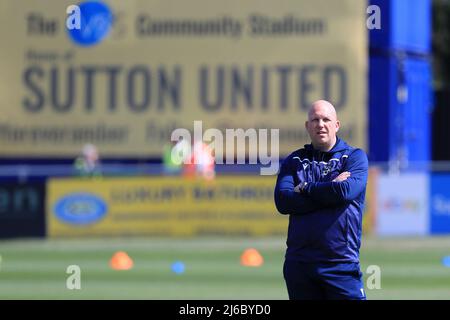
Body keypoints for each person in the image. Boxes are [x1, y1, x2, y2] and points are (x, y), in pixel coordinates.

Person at [274, 100, 369, 300]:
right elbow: (283, 202)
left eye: (326, 119)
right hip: (300, 264)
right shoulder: (294, 161)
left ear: (336, 125)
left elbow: (344, 191)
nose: (320, 124)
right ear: (307, 126)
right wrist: (330, 189)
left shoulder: (354, 158)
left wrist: (306, 188)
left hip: (340, 263)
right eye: (315, 120)